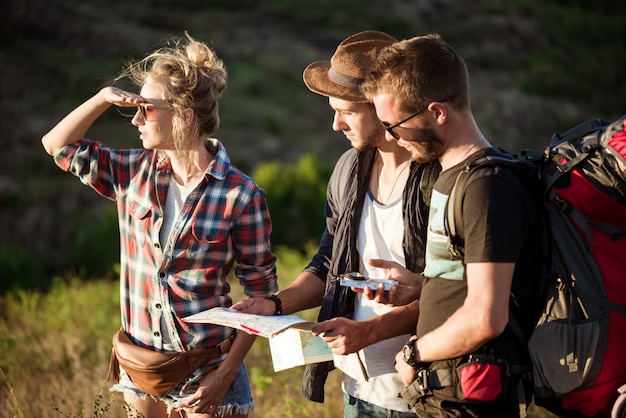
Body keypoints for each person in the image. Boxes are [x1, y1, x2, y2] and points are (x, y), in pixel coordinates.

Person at [41, 33, 278, 418]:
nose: (135, 118)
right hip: (142, 371)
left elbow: (262, 299)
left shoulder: (242, 195)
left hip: (209, 371)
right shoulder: (133, 172)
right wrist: (103, 97)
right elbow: (57, 145)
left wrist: (224, 375)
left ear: (183, 115)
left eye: (146, 109)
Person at [232, 30, 437, 417]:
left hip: (424, 392)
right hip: (358, 389)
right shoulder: (347, 170)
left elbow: (455, 292)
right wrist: (275, 304)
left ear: (382, 105)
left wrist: (371, 331)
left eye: (346, 111)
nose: (336, 125)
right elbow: (331, 263)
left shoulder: (437, 177)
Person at [361, 33, 545, 417]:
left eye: (395, 124)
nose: (391, 136)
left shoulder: (487, 186)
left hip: (472, 402)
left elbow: (486, 316)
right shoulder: (448, 175)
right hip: (442, 398)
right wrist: (420, 285)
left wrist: (415, 351)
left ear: (437, 112)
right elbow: (464, 278)